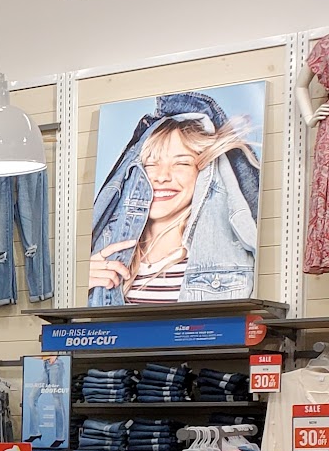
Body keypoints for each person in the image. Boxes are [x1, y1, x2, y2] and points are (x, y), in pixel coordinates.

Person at [88, 92, 261, 305]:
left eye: (181, 163)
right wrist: (82, 287)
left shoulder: (233, 257)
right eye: (151, 164)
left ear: (203, 174)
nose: (162, 176)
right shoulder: (102, 257)